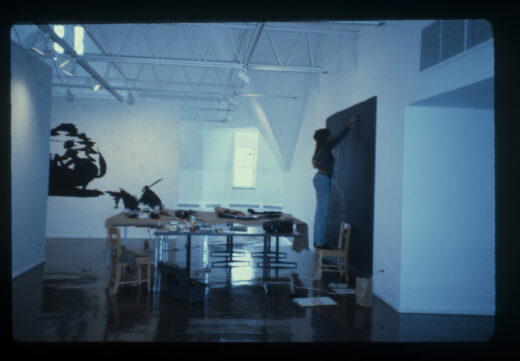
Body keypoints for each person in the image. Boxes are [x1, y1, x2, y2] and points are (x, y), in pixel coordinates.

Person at [312, 115, 359, 249]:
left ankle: (318, 241)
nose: (332, 136)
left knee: (321, 212)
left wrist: (349, 124)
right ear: (326, 137)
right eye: (330, 135)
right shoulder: (323, 149)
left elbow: (339, 138)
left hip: (322, 179)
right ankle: (320, 243)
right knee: (322, 213)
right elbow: (315, 160)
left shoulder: (325, 147)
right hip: (322, 180)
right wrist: (321, 167)